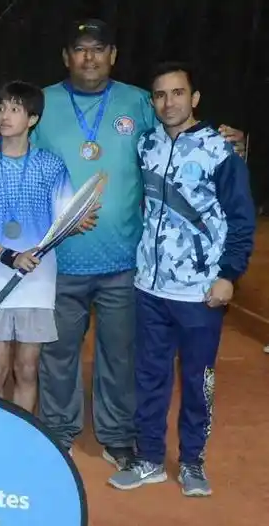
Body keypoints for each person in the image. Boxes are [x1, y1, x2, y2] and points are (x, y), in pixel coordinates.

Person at [0, 19, 245, 470]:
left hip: (127, 261)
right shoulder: (42, 101)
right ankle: (60, 429)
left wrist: (227, 140)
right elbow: (4, 147)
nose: (90, 57)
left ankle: (115, 435)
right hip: (57, 261)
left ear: (113, 55)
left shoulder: (139, 102)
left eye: (99, 48)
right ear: (66, 57)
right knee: (57, 355)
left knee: (119, 356)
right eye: (80, 49)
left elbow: (178, 129)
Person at [108, 62, 255, 497]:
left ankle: (193, 462)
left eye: (177, 93)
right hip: (150, 288)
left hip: (201, 292)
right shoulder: (146, 144)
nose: (168, 102)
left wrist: (228, 275)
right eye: (160, 95)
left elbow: (242, 219)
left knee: (198, 379)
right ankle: (150, 458)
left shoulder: (220, 149)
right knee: (149, 377)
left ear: (194, 98)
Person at [0, 81, 96, 413]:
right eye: (2, 108)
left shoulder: (51, 166)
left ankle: (22, 436)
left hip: (37, 283)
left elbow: (64, 222)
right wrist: (9, 256)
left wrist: (77, 225)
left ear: (32, 119)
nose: (5, 116)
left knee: (27, 369)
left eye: (15, 109)